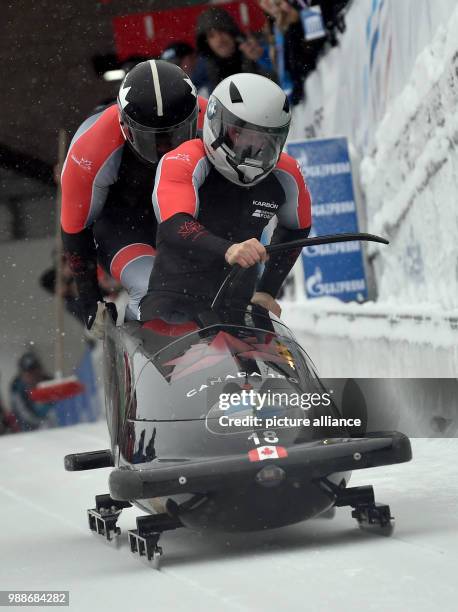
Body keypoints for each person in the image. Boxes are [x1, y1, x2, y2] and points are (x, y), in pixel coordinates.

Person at [139, 72, 312, 323]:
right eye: (241, 134)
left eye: (264, 139)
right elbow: (174, 224)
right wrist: (228, 249)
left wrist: (266, 291)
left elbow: (297, 229)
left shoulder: (286, 174)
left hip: (236, 305)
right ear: (217, 123)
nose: (252, 147)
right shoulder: (185, 159)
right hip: (173, 304)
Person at [61, 60, 207, 335]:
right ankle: (143, 345)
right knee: (155, 290)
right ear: (126, 129)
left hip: (186, 210)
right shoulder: (91, 149)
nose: (167, 149)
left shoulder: (211, 121)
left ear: (194, 118)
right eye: (155, 139)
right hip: (123, 222)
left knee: (214, 284)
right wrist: (89, 298)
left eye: (177, 135)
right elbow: (74, 229)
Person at [192, 7, 277, 95]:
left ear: (232, 32)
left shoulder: (256, 52)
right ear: (206, 43)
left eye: (222, 31)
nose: (219, 39)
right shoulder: (204, 69)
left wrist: (262, 59)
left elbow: (278, 85)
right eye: (211, 36)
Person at [9, 353, 56, 433]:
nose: (33, 377)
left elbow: (59, 406)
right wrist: (40, 423)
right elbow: (22, 413)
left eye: (36, 373)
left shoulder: (50, 383)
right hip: (29, 433)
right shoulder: (17, 388)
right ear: (22, 374)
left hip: (55, 428)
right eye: (29, 374)